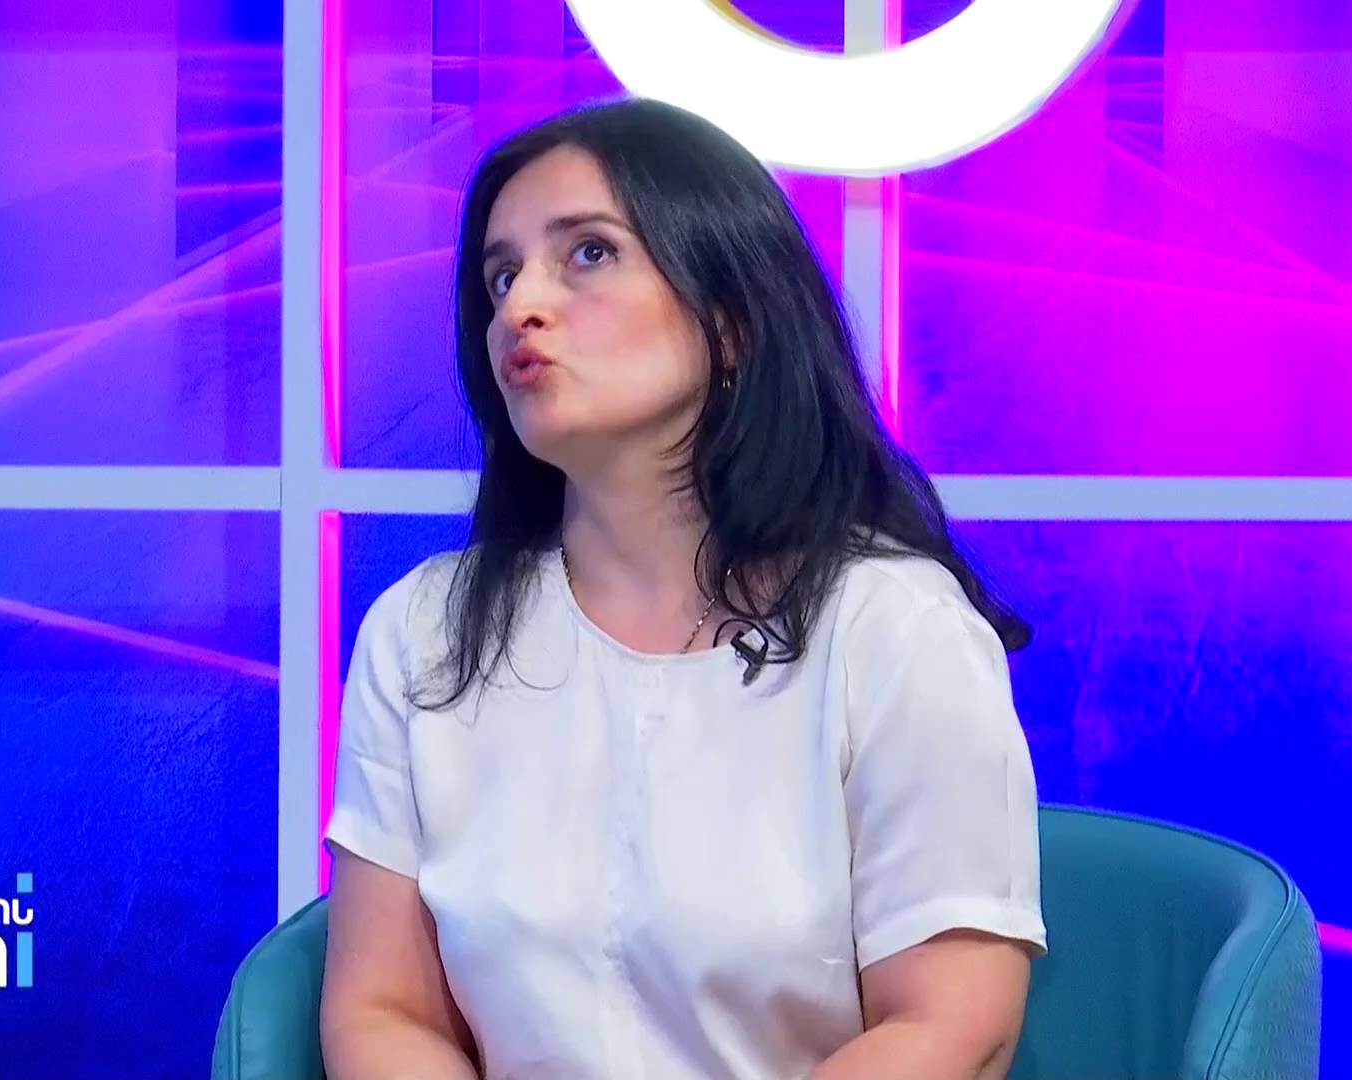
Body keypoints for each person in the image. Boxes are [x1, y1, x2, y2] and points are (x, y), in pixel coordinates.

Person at [318, 97, 1047, 1080]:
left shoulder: (897, 628)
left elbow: (951, 1029)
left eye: (588, 253)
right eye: (501, 275)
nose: (520, 307)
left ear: (732, 319)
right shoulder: (423, 634)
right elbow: (380, 1013)